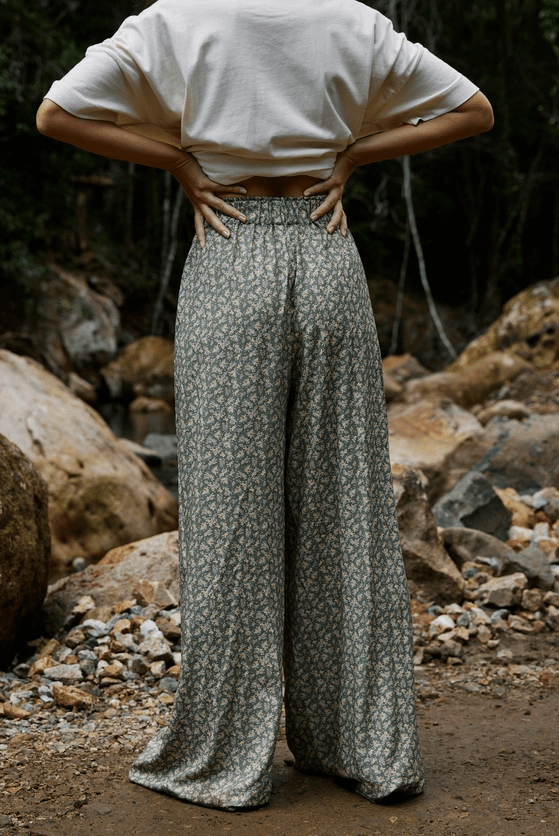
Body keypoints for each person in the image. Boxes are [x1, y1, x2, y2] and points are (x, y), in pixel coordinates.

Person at [37, 0, 493, 813]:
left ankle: (229, 756)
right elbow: (471, 111)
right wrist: (353, 157)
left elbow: (57, 112)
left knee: (232, 519)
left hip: (229, 242)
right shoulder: (350, 19)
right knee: (343, 506)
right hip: (324, 253)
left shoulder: (175, 18)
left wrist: (180, 166)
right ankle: (361, 745)